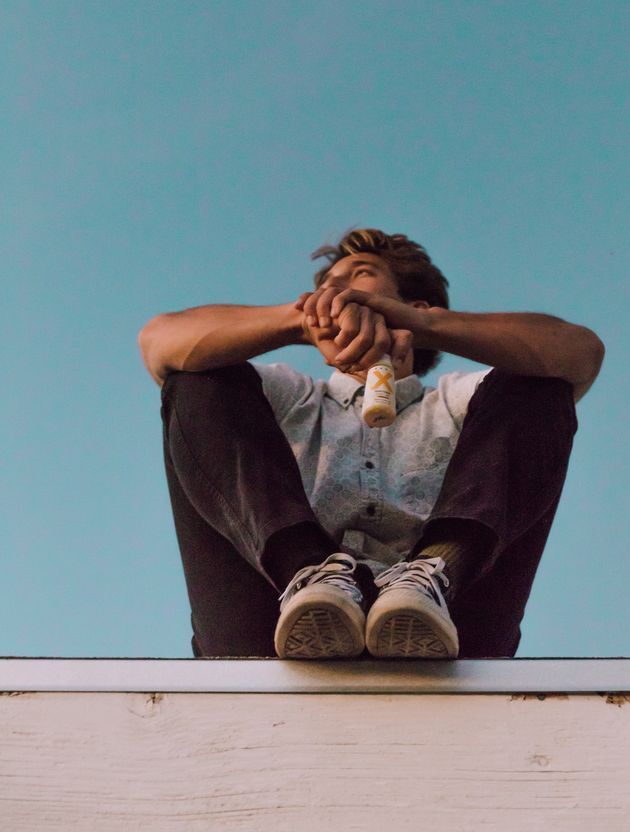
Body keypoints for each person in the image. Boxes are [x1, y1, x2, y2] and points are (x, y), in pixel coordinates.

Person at [138, 228, 604, 660]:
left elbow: (579, 352)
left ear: (414, 304)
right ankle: (308, 573)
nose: (337, 287)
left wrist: (424, 325)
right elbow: (160, 342)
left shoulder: (460, 401)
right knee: (198, 381)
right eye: (329, 281)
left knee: (538, 384)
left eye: (360, 275)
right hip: (270, 618)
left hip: (451, 624)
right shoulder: (288, 396)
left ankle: (435, 571)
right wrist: (299, 322)